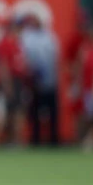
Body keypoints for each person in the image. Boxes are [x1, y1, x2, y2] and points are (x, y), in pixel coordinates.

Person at [19, 14, 61, 146]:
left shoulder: (50, 37)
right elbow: (24, 59)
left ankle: (53, 139)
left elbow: (55, 58)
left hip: (50, 81)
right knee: (34, 112)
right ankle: (35, 139)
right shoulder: (27, 38)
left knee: (52, 113)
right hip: (34, 82)